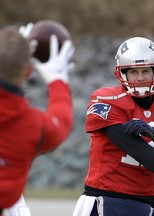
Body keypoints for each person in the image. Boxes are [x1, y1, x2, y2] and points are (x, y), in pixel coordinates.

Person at [73, 37, 154, 216]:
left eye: (145, 71)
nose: (141, 78)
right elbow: (137, 149)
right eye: (134, 72)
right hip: (106, 199)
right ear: (122, 73)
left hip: (147, 203)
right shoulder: (106, 100)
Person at [0, 24, 75, 216]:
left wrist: (12, 49)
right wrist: (57, 78)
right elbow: (61, 121)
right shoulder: (31, 127)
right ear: (28, 72)